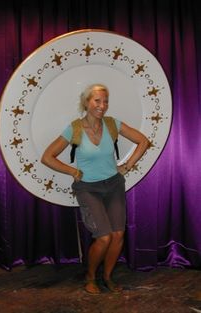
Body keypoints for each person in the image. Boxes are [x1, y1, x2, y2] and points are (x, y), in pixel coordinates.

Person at [41, 83, 149, 294]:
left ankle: (107, 277)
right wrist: (72, 171)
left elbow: (143, 141)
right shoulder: (75, 128)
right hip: (88, 188)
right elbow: (47, 157)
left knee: (118, 234)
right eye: (97, 100)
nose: (102, 105)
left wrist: (127, 166)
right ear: (86, 102)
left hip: (114, 185)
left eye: (105, 101)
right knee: (104, 237)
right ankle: (90, 277)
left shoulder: (112, 124)